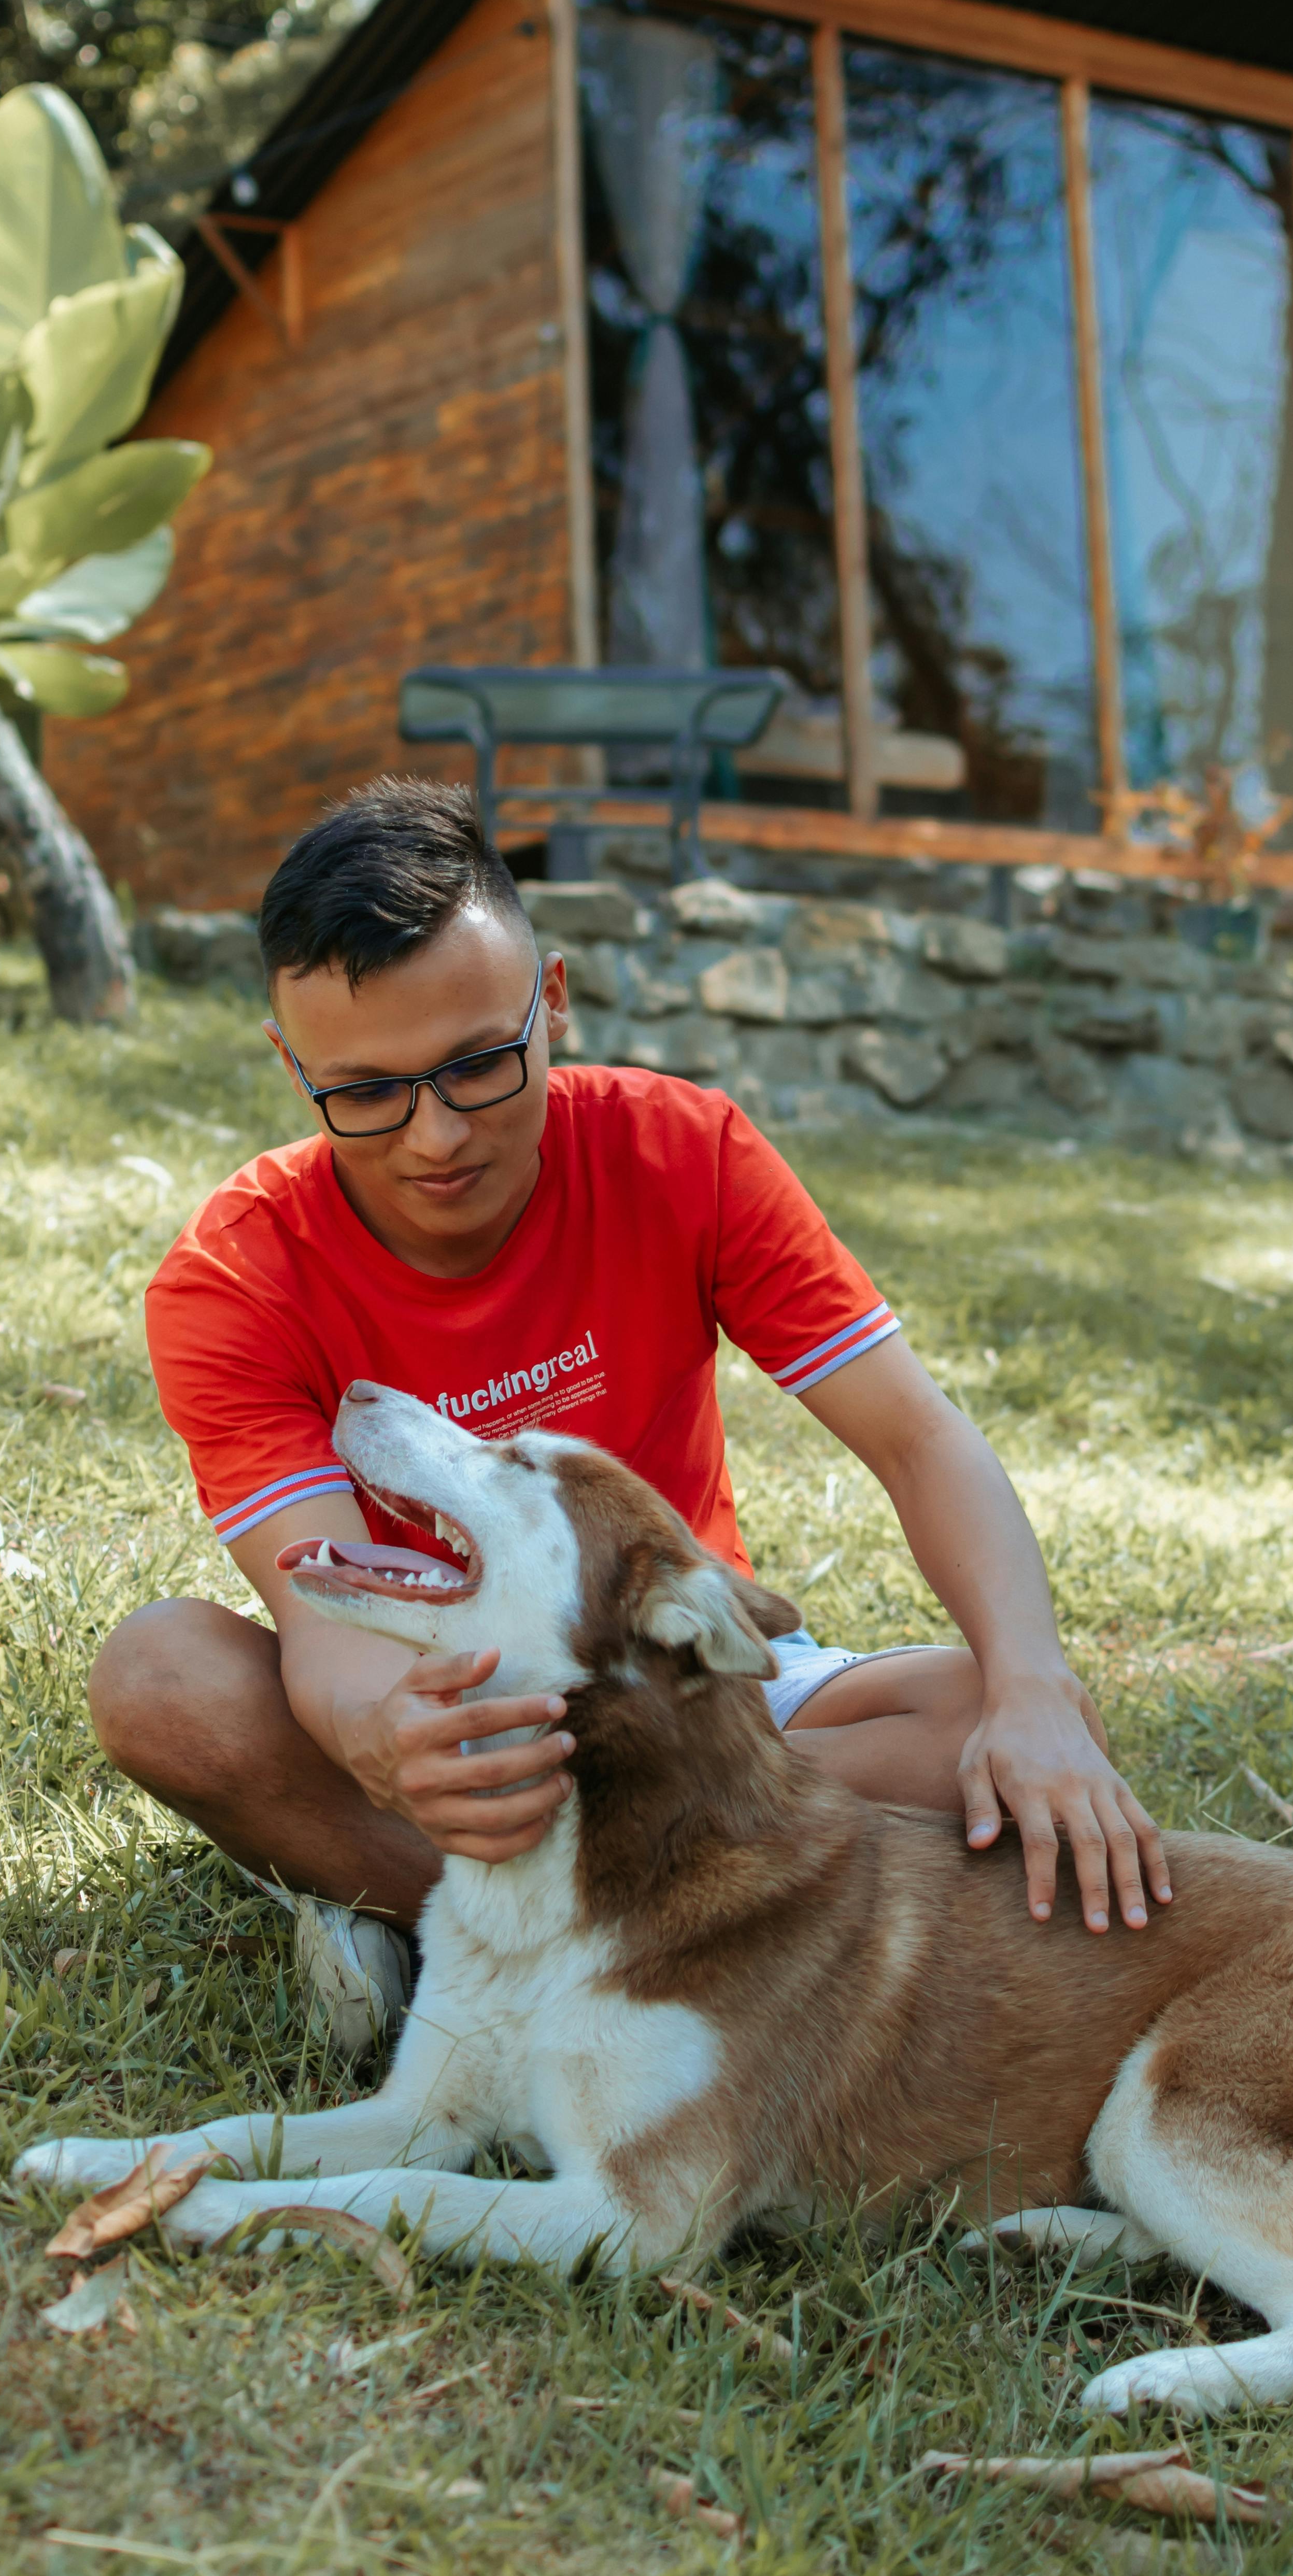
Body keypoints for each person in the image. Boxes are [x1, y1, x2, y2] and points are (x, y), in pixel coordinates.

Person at [93, 780, 1170, 2060]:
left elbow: (916, 1438)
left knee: (974, 1719)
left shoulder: (681, 1150)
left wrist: (1034, 1687)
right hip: (460, 1724)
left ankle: (458, 1939)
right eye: (365, 1091)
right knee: (162, 1677)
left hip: (681, 1702)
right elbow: (325, 1622)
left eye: (478, 1065)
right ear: (290, 1066)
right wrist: (386, 1738)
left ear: (552, 999)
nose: (434, 1136)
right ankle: (661, 1952)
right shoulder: (235, 1274)